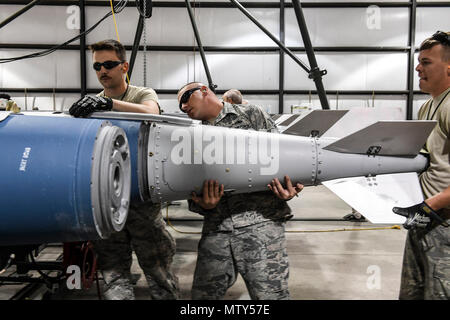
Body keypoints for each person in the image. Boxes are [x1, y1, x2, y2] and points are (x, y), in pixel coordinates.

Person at [69, 39, 179, 300]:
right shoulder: (93, 103)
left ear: (124, 66)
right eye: (97, 66)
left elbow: (150, 112)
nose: (102, 71)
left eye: (108, 64)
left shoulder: (140, 94)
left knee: (159, 273)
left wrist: (109, 105)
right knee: (114, 275)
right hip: (106, 202)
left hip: (141, 202)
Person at [177, 82, 304, 300]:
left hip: (261, 223)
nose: (183, 106)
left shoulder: (250, 114)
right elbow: (191, 184)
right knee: (202, 297)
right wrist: (202, 204)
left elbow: (283, 157)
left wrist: (289, 188)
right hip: (217, 226)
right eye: (179, 103)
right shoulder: (192, 135)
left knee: (270, 296)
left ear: (204, 90)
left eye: (186, 97)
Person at [392, 31, 450, 300]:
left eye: (426, 62)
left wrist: (432, 204)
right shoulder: (427, 107)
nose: (417, 68)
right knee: (414, 292)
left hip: (443, 220)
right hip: (425, 217)